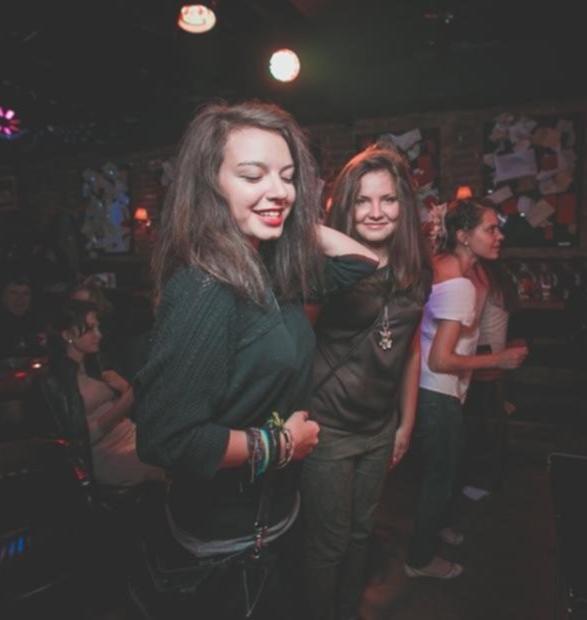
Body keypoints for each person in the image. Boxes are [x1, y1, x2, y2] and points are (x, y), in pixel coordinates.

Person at [133, 101, 377, 619]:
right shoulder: (206, 288)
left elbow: (362, 261)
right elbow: (165, 439)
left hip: (271, 517)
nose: (280, 190)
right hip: (228, 539)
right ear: (209, 185)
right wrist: (282, 444)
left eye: (288, 177)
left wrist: (286, 217)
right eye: (252, 175)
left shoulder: (267, 268)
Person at [300, 145, 431, 620]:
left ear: (403, 205)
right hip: (328, 427)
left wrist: (406, 423)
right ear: (346, 206)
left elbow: (410, 351)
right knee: (328, 544)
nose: (376, 212)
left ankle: (347, 610)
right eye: (362, 200)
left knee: (360, 535)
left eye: (388, 199)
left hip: (379, 428)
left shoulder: (418, 269)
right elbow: (297, 345)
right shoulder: (330, 269)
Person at [406, 200, 528, 579]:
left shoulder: (444, 267)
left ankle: (437, 525)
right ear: (463, 235)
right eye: (490, 229)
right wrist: (498, 360)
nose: (499, 236)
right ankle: (419, 560)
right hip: (437, 392)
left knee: (445, 469)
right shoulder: (459, 285)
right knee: (439, 480)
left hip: (428, 390)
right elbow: (442, 360)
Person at [38, 299, 164, 488]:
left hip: (132, 436)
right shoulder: (58, 381)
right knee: (169, 463)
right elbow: (80, 439)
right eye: (90, 329)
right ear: (68, 335)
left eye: (97, 327)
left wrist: (125, 389)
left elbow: (131, 410)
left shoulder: (96, 364)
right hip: (107, 455)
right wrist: (128, 398)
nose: (98, 334)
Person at [0, 269, 47, 360]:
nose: (20, 299)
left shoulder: (39, 323)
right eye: (13, 293)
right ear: (3, 296)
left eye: (25, 294)